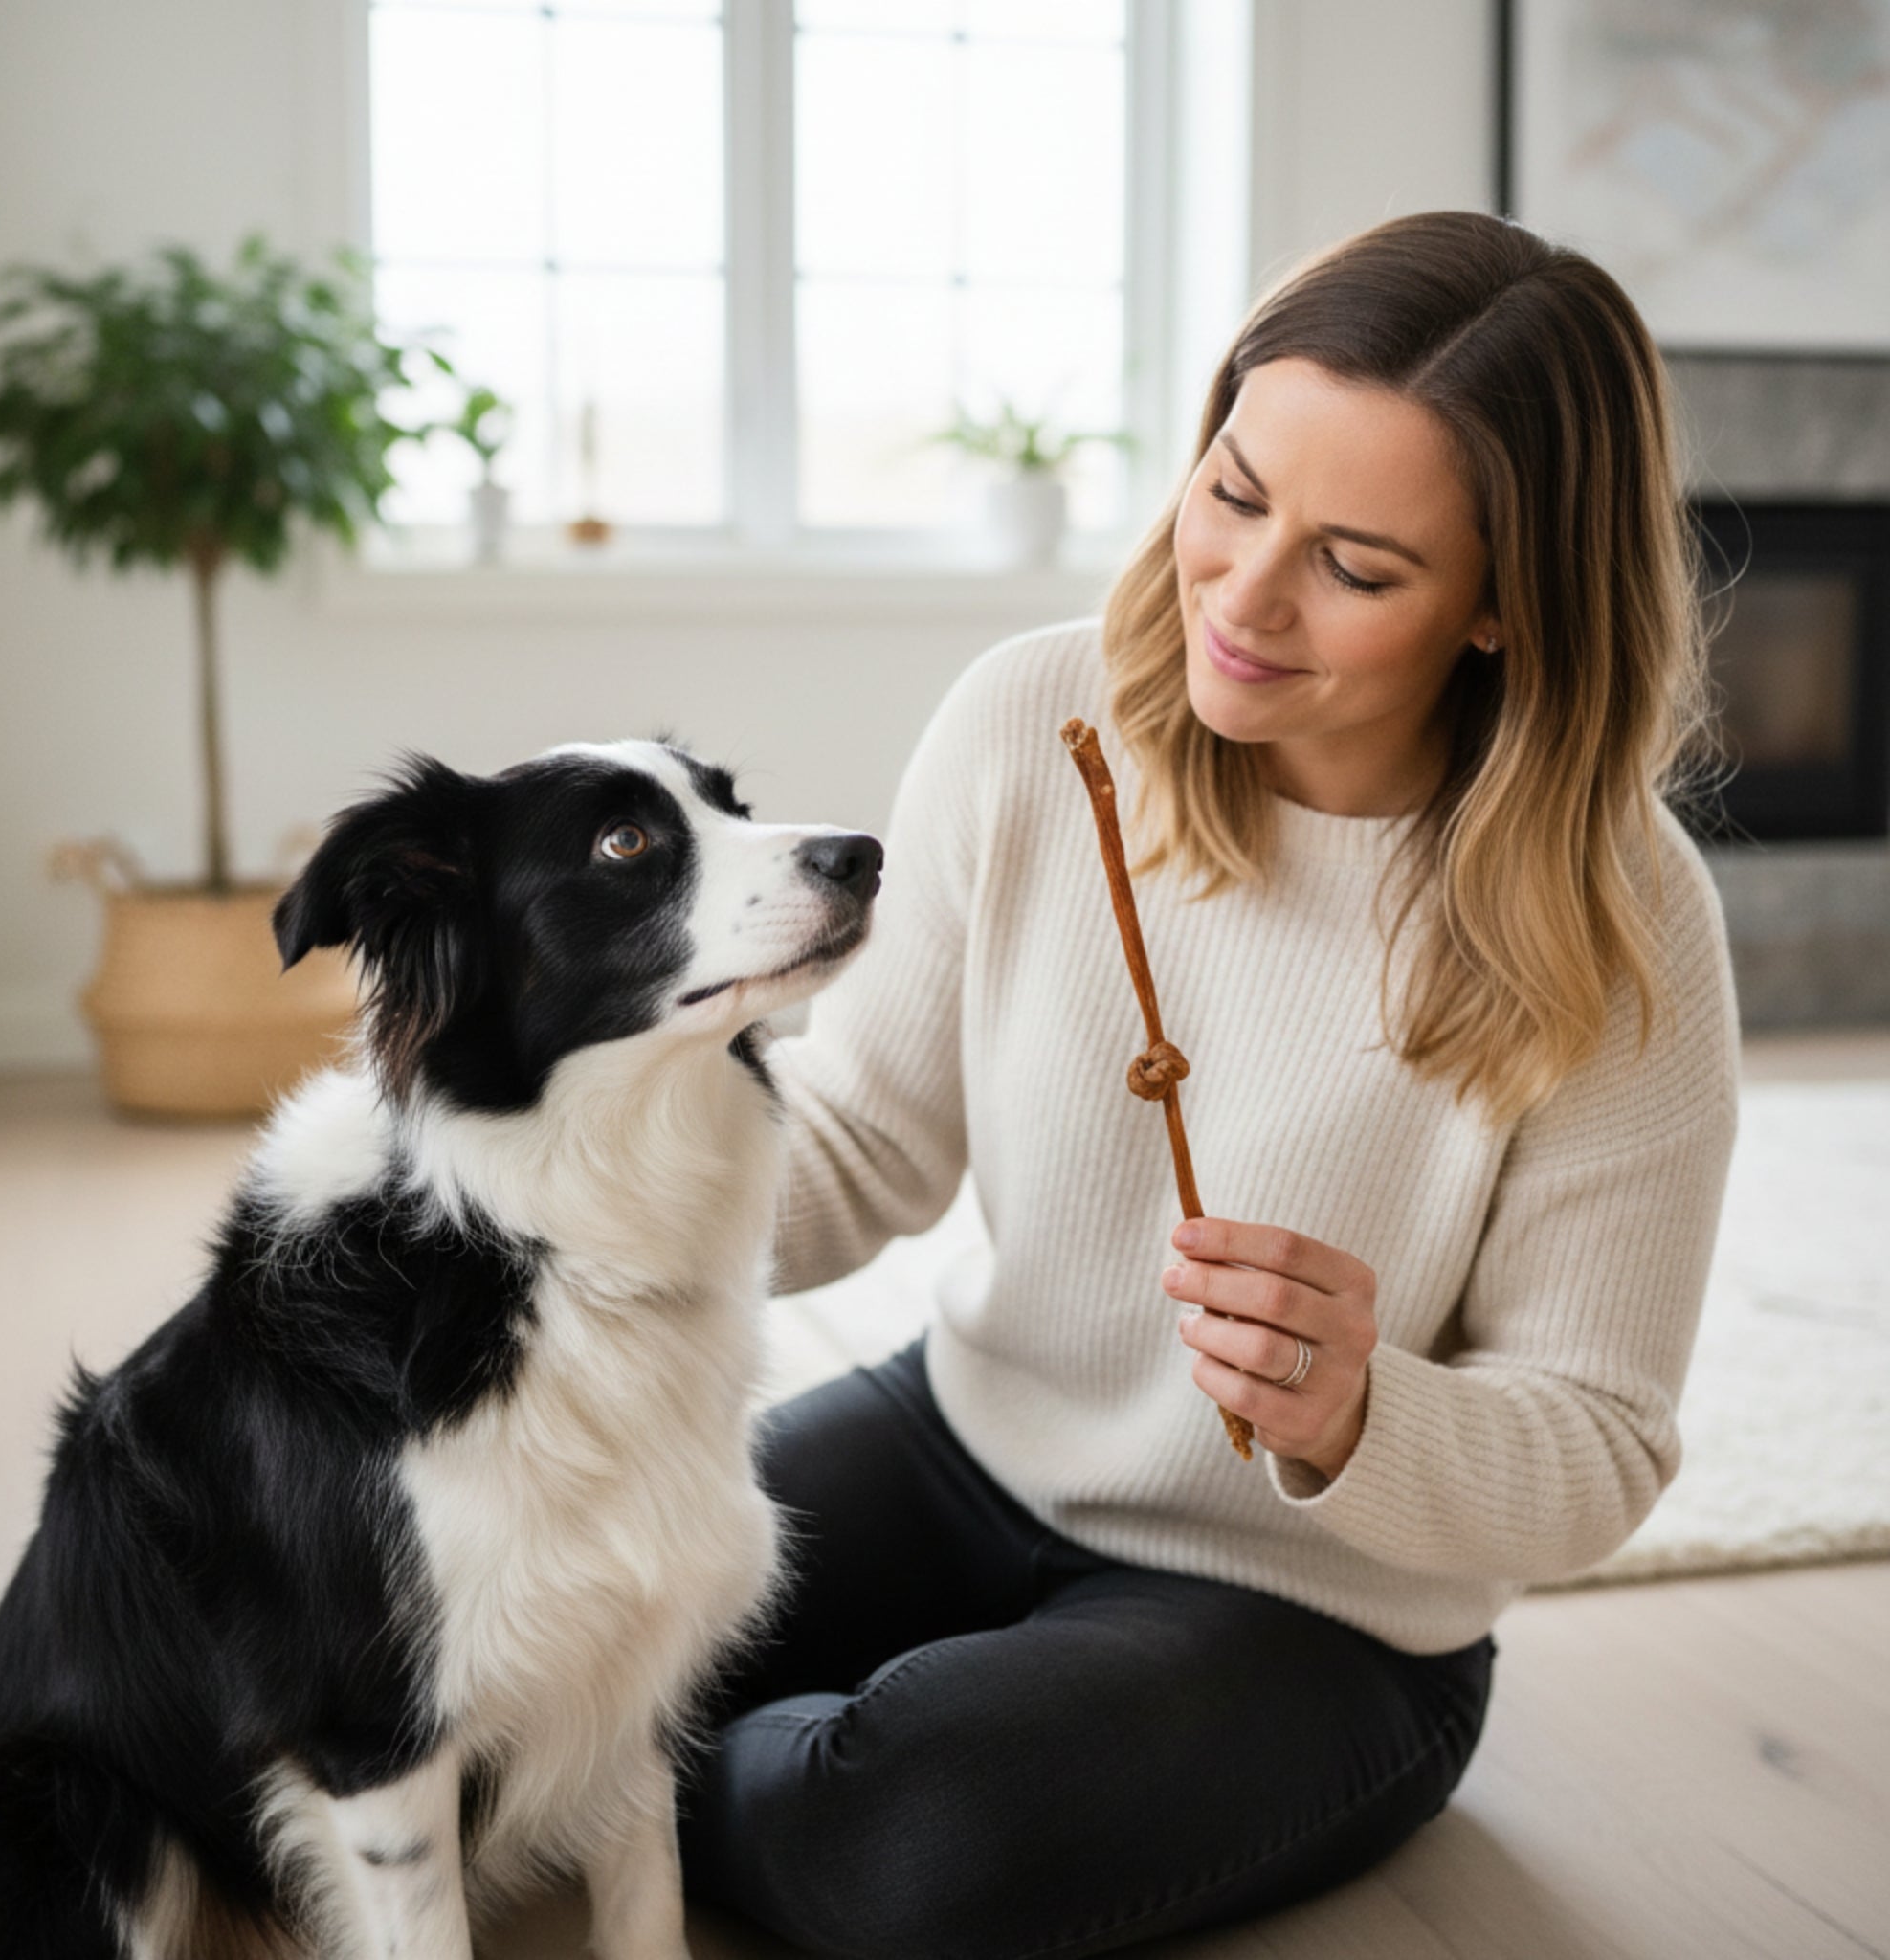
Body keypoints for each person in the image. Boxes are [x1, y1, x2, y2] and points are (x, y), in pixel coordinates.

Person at [675, 210, 1740, 1958]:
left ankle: (595, 1777)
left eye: (1360, 568)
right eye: (1233, 494)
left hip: (1318, 1612)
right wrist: (564, 1178)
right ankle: (601, 1754)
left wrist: (1360, 1407)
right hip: (970, 1437)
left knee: (915, 1835)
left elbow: (1600, 1439)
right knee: (501, 1612)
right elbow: (862, 1146)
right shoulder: (1038, 725)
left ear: (1500, 609)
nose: (1238, 597)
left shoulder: (1621, 921)